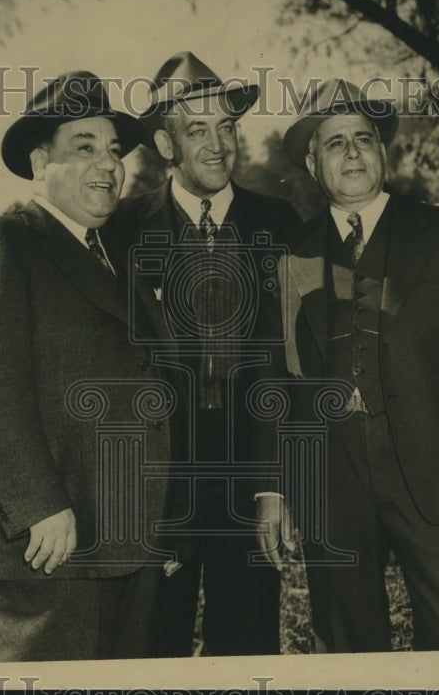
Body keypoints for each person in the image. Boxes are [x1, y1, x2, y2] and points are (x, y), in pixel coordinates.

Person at [273, 78, 439, 652]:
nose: (352, 153)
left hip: (434, 475)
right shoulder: (292, 260)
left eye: (364, 138)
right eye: (335, 143)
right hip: (332, 486)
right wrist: (281, 487)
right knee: (350, 649)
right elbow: (282, 383)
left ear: (382, 151)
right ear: (313, 163)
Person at [0, 71, 174, 661]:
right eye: (86, 147)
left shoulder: (120, 256)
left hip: (130, 541)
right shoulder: (2, 244)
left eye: (116, 151)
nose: (109, 164)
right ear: (41, 161)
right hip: (54, 546)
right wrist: (37, 506)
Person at [104, 51, 302, 656]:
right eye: (197, 131)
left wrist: (272, 487)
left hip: (249, 470)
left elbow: (282, 362)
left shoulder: (276, 222)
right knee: (149, 648)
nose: (218, 145)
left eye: (227, 127)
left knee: (246, 648)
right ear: (166, 146)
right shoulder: (122, 230)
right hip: (160, 476)